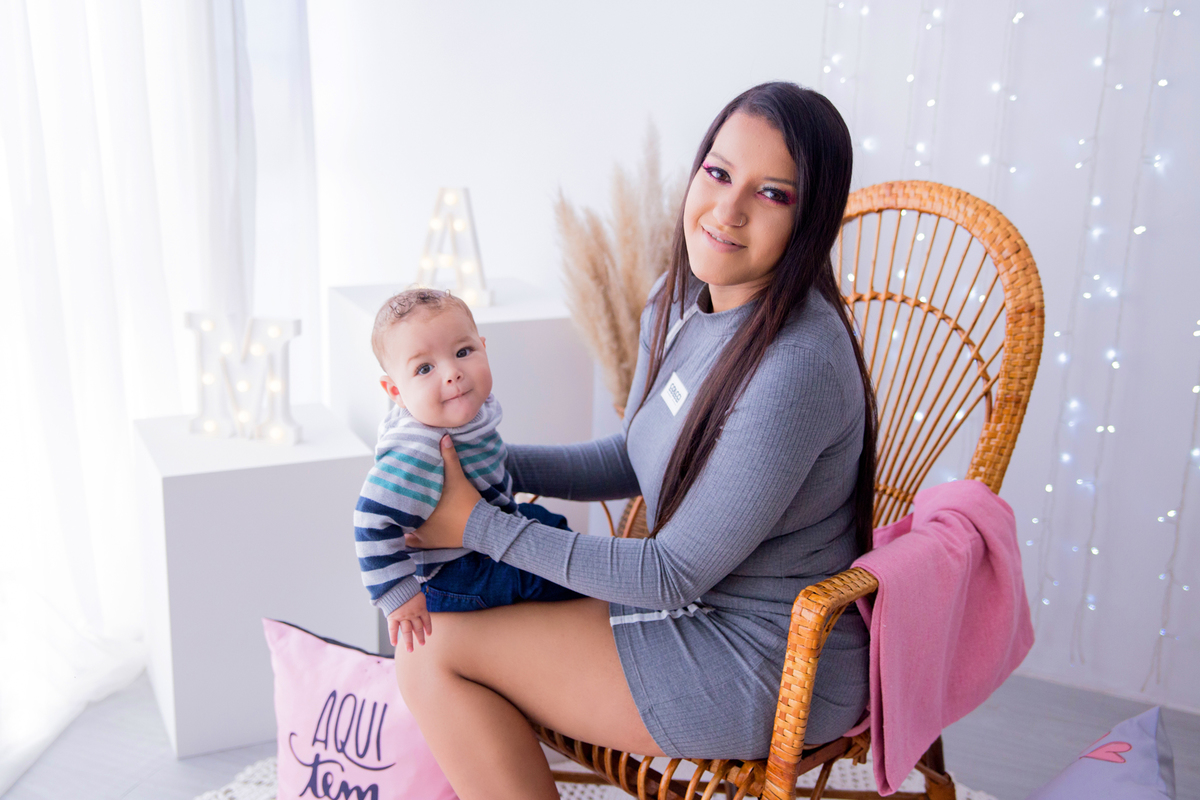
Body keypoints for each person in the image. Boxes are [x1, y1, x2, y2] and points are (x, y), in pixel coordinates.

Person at [397, 81, 879, 800]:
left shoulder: (796, 367)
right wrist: (474, 465)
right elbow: (634, 452)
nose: (727, 209)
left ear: (812, 220)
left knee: (430, 654)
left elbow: (671, 572)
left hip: (771, 660)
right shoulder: (683, 301)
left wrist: (477, 523)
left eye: (772, 194)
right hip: (693, 609)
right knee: (435, 621)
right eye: (718, 173)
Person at [354, 288, 580, 653]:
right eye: (424, 368)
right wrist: (398, 595)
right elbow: (370, 519)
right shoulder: (416, 447)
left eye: (463, 352)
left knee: (550, 523)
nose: (453, 374)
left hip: (484, 528)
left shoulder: (465, 407)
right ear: (395, 391)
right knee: (553, 575)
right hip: (453, 573)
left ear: (483, 347)